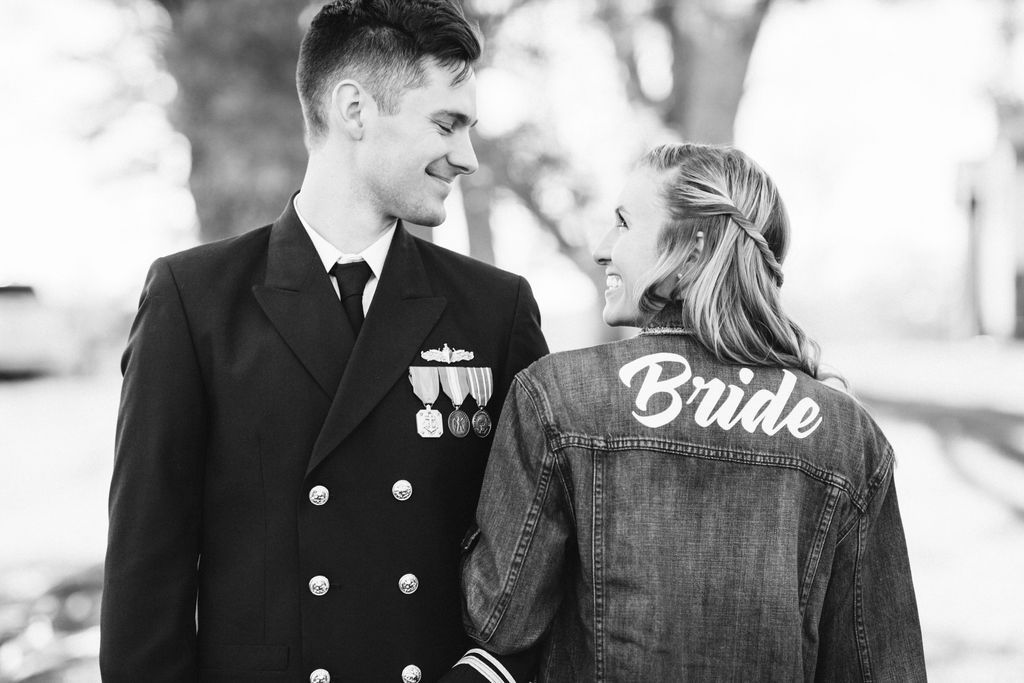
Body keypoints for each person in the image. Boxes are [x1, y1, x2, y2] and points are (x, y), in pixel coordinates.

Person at [100, 1, 548, 681]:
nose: (468, 157)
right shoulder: (193, 300)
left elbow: (541, 548)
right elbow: (145, 581)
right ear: (355, 110)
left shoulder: (495, 308)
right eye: (446, 124)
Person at [460, 143, 927, 681]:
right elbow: (881, 665)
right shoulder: (845, 434)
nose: (601, 247)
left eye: (623, 223)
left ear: (691, 248)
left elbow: (500, 622)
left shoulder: (559, 396)